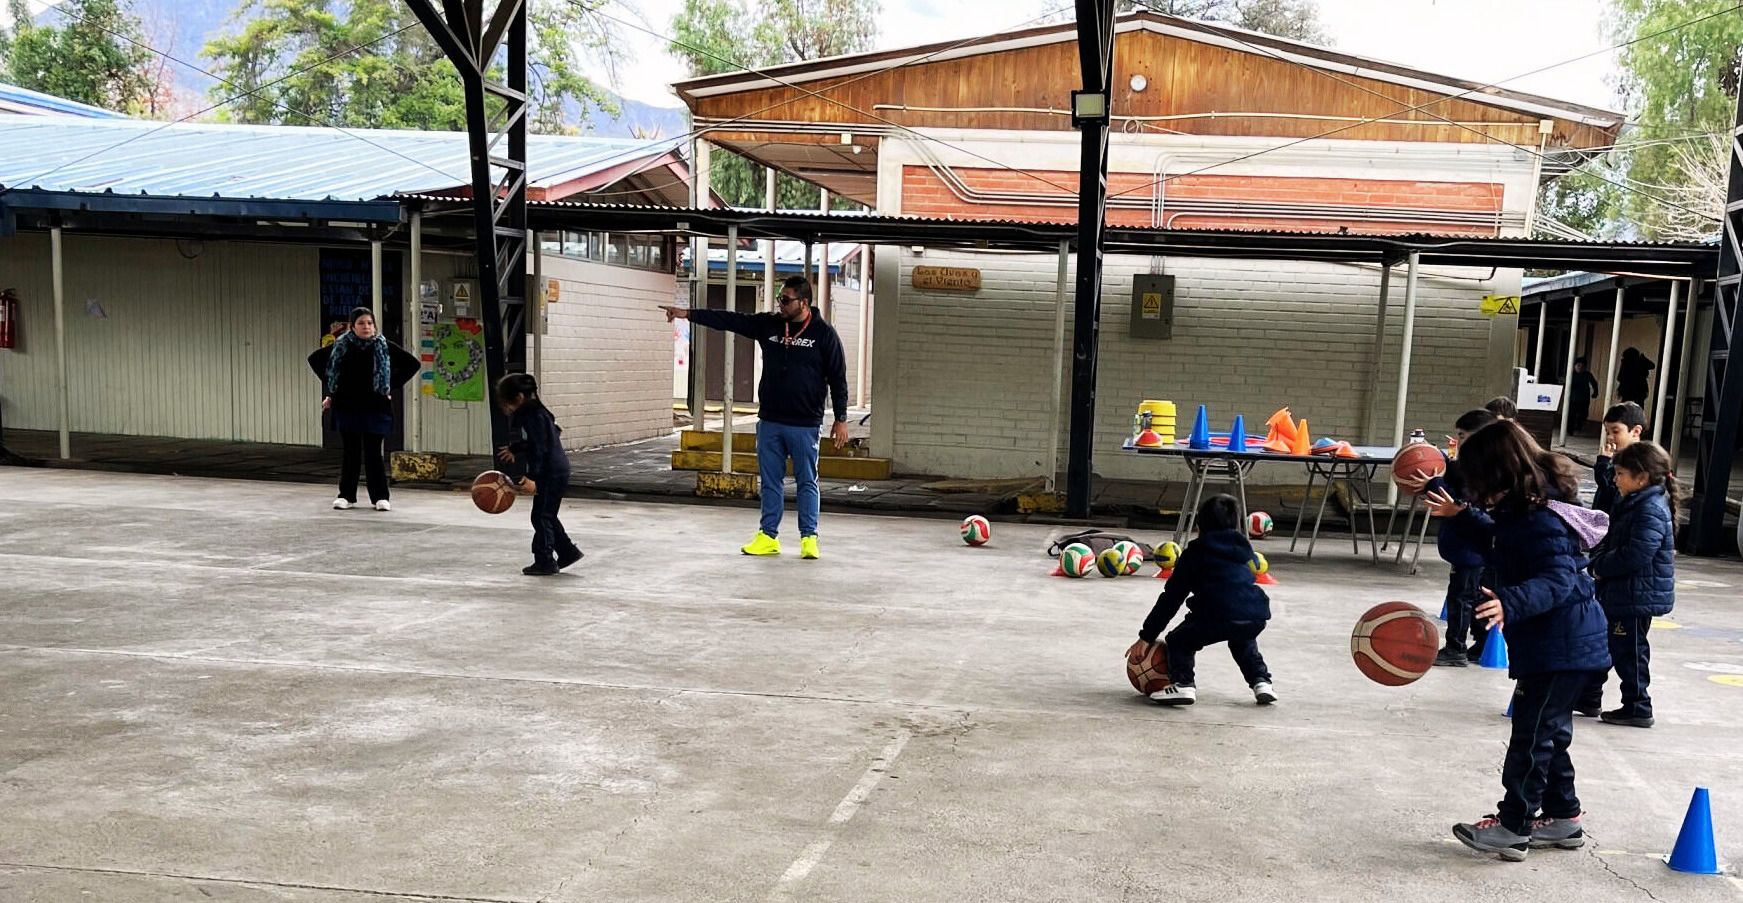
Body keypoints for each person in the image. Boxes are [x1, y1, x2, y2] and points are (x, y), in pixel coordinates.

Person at [1426, 421, 1610, 861]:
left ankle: (1514, 826)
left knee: (1531, 737)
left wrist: (1510, 601)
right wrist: (1461, 515)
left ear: (1497, 472)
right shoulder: (1523, 510)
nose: (1473, 488)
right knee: (1549, 734)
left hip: (1562, 644)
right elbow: (1499, 538)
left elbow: (1557, 580)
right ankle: (1564, 817)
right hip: (1559, 643)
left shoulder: (1541, 519)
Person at [661, 275, 849, 560]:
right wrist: (688, 314)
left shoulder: (824, 334)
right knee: (770, 481)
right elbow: (730, 320)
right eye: (779, 299)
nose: (781, 305)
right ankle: (768, 536)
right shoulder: (769, 325)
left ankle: (809, 538)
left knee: (807, 480)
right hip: (771, 420)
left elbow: (838, 378)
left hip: (805, 423)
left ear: (805, 302)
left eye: (786, 300)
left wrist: (841, 418)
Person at [1127, 494, 1275, 707]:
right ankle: (1261, 681)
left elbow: (1171, 598)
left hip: (1216, 615)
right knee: (1242, 639)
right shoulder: (1242, 551)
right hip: (1254, 613)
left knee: (1179, 640)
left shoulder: (1194, 554)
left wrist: (1146, 636)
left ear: (1199, 527)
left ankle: (1183, 684)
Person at [1577, 440, 1677, 727]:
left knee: (1629, 652)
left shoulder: (1650, 508)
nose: (1615, 479)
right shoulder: (1633, 502)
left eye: (1620, 474)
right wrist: (1596, 559)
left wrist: (1601, 568)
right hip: (1620, 592)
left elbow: (1636, 554)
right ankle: (1588, 697)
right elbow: (1610, 538)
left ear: (1641, 477)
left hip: (1635, 596)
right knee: (1604, 644)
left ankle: (1637, 705)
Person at [1402, 409, 1497, 667]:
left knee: (1461, 600)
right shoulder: (1470, 464)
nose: (1458, 441)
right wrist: (1439, 460)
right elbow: (1454, 477)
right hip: (1468, 548)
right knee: (1475, 599)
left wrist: (1433, 483)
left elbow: (1458, 501)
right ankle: (1481, 645)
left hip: (1471, 549)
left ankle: (1455, 649)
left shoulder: (1481, 469)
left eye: (1462, 436)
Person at [306, 307, 419, 511]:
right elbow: (315, 360)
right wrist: (333, 387)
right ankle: (346, 496)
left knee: (374, 454)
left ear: (374, 326)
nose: (366, 327)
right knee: (351, 453)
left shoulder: (384, 346)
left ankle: (380, 497)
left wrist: (389, 385)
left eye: (369, 323)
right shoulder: (341, 346)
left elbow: (412, 364)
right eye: (361, 323)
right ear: (352, 326)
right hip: (347, 407)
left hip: (376, 407)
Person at [496, 373, 582, 577]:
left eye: (506, 402)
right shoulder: (538, 411)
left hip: (549, 471)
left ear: (518, 397)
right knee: (547, 514)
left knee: (540, 516)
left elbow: (540, 447)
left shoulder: (531, 415)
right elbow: (545, 438)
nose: (505, 408)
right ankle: (567, 552)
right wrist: (515, 448)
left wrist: (532, 477)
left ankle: (545, 561)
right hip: (556, 468)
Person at [1592, 402, 1646, 514]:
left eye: (1616, 431)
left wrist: (1602, 464)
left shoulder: (1638, 461)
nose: (1610, 437)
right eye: (1608, 432)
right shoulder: (1618, 457)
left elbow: (1610, 487)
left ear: (1636, 431)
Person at [1567, 358, 1599, 437]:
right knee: (1571, 415)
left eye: (1582, 366)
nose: (1580, 368)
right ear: (1575, 366)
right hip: (1572, 399)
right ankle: (1569, 430)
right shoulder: (1571, 374)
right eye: (1578, 366)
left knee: (1583, 414)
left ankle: (1578, 425)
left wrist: (1595, 392)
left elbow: (1594, 383)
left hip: (1584, 399)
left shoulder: (1587, 375)